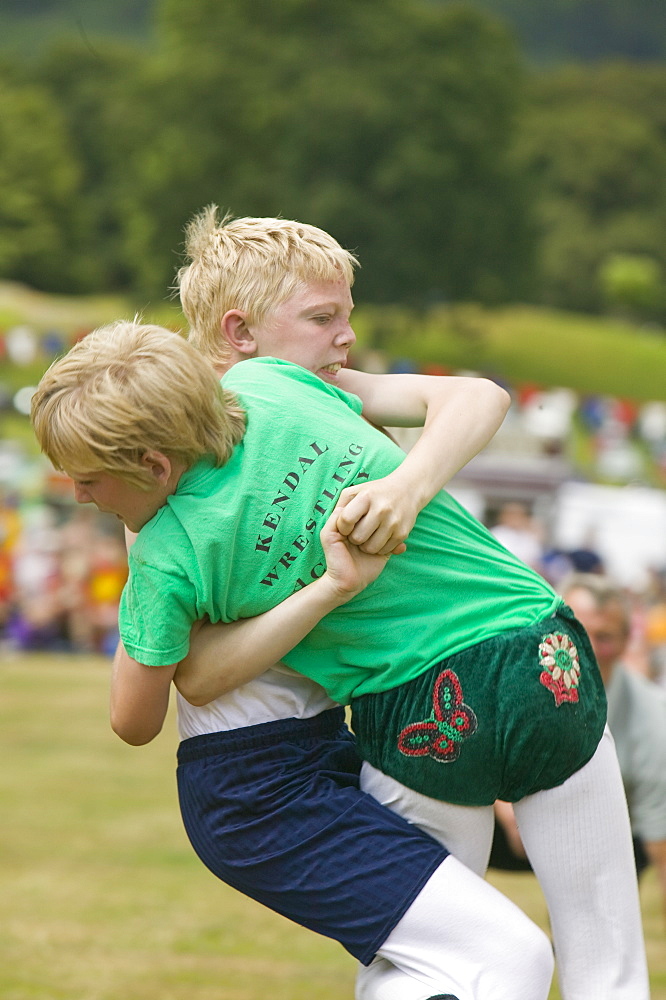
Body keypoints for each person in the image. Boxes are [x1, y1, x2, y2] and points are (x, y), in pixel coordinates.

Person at [173, 212, 646, 999]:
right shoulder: (283, 399)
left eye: (348, 315)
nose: (346, 336)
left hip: (413, 703)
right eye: (324, 319)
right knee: (607, 966)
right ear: (240, 330)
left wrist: (405, 487)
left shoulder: (293, 393)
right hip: (536, 653)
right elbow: (474, 399)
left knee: (428, 963)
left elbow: (479, 398)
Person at [32, 320, 553, 1000]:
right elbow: (139, 717)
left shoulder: (165, 549)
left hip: (264, 789)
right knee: (504, 958)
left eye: (89, 479)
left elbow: (132, 718)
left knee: (446, 965)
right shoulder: (260, 419)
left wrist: (149, 599)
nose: (79, 496)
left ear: (155, 468)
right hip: (263, 790)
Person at [563, 575, 666, 921]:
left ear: (625, 642)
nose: (586, 646)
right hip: (515, 819)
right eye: (574, 628)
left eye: (604, 637)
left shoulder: (653, 720)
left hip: (614, 829)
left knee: (606, 922)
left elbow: (659, 839)